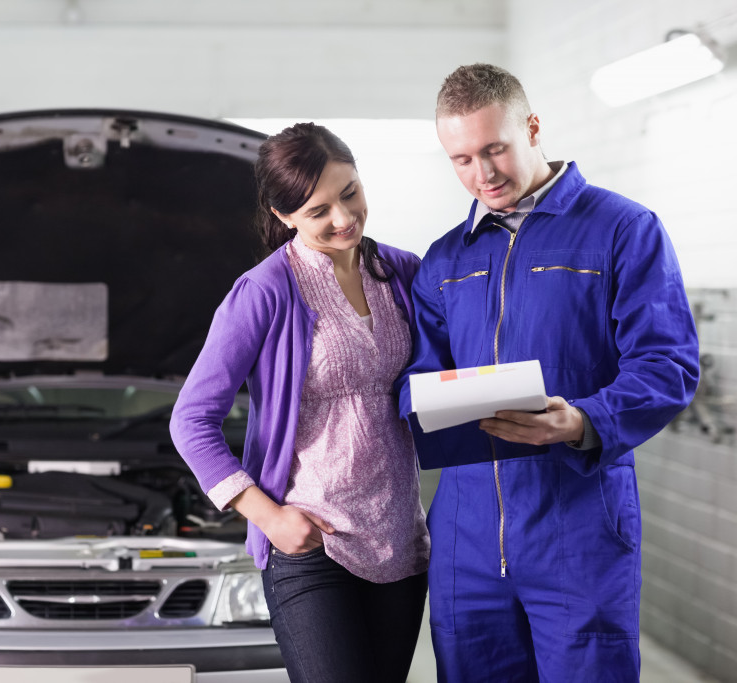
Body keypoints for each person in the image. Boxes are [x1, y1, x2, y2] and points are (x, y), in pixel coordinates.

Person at [398, 63, 700, 682]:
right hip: (466, 534)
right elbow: (417, 378)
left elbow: (667, 363)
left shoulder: (622, 229)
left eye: (495, 149)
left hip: (578, 526)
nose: (482, 175)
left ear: (532, 128)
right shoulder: (445, 259)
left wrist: (585, 418)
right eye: (460, 159)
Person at [170, 122, 430, 682]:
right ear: (283, 215)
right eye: (318, 211)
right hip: (310, 544)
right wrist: (268, 517)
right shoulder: (265, 291)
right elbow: (192, 419)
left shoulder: (403, 273)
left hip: (400, 544)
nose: (344, 218)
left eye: (351, 193)